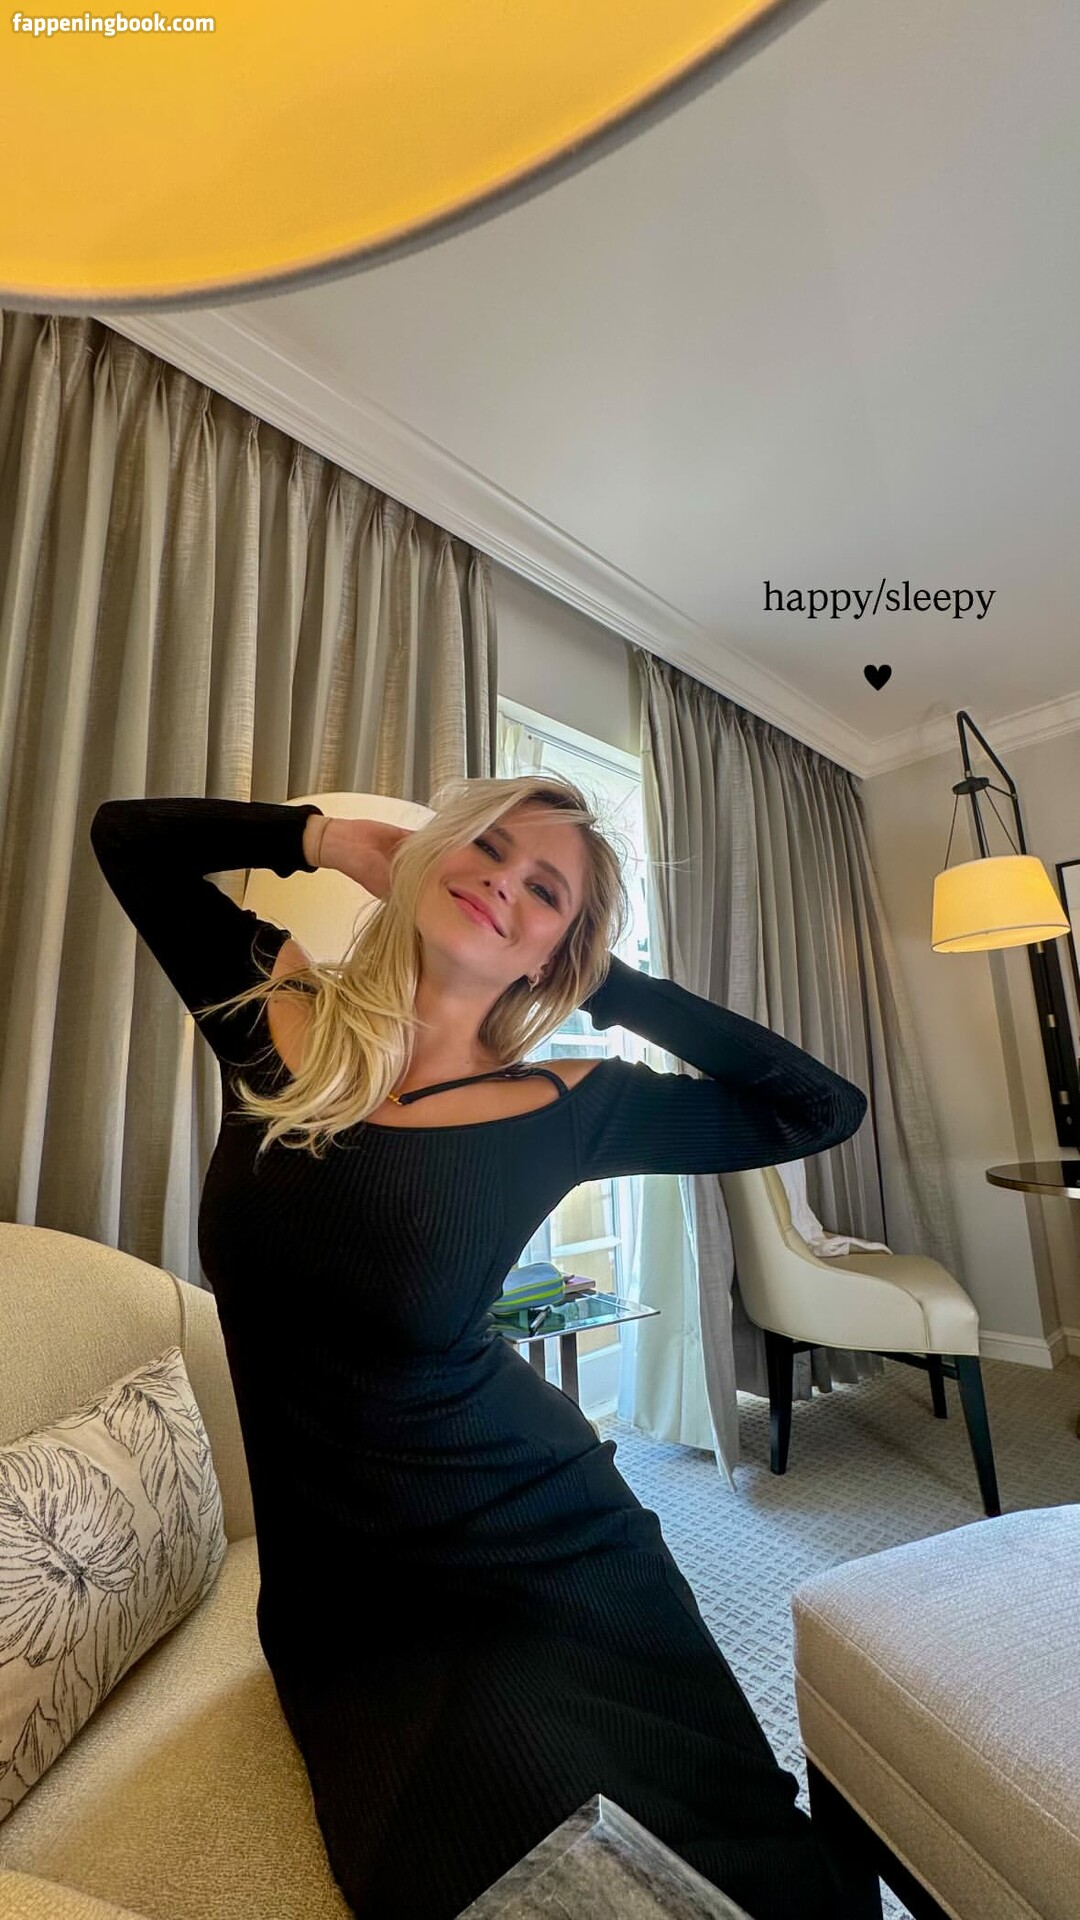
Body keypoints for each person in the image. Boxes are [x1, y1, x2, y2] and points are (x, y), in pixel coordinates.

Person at [90, 774, 875, 1920]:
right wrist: (330, 839)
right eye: (490, 847)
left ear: (561, 951)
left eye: (546, 890)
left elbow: (819, 1108)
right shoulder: (276, 1010)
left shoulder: (573, 1102)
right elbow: (128, 839)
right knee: (483, 1847)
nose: (505, 881)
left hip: (542, 1535)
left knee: (677, 1846)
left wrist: (609, 986)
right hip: (344, 1591)